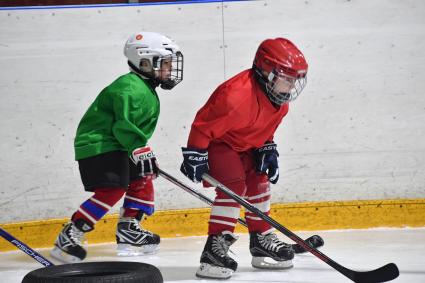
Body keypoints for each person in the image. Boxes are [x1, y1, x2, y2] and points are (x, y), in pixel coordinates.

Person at [180, 37, 308, 279]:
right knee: (233, 186)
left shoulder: (280, 102)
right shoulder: (236, 96)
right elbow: (202, 127)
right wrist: (195, 155)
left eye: (295, 79)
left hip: (245, 146)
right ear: (268, 71)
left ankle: (260, 239)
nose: (292, 86)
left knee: (259, 179)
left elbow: (264, 129)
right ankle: (214, 249)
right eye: (288, 78)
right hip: (219, 145)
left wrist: (266, 147)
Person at [50, 31, 184, 263]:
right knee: (112, 189)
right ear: (144, 62)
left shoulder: (143, 86)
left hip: (119, 144)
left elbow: (127, 129)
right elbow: (124, 125)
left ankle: (129, 229)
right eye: (165, 63)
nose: (169, 69)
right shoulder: (130, 88)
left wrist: (140, 149)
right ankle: (71, 234)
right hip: (99, 144)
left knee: (143, 175)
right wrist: (139, 147)